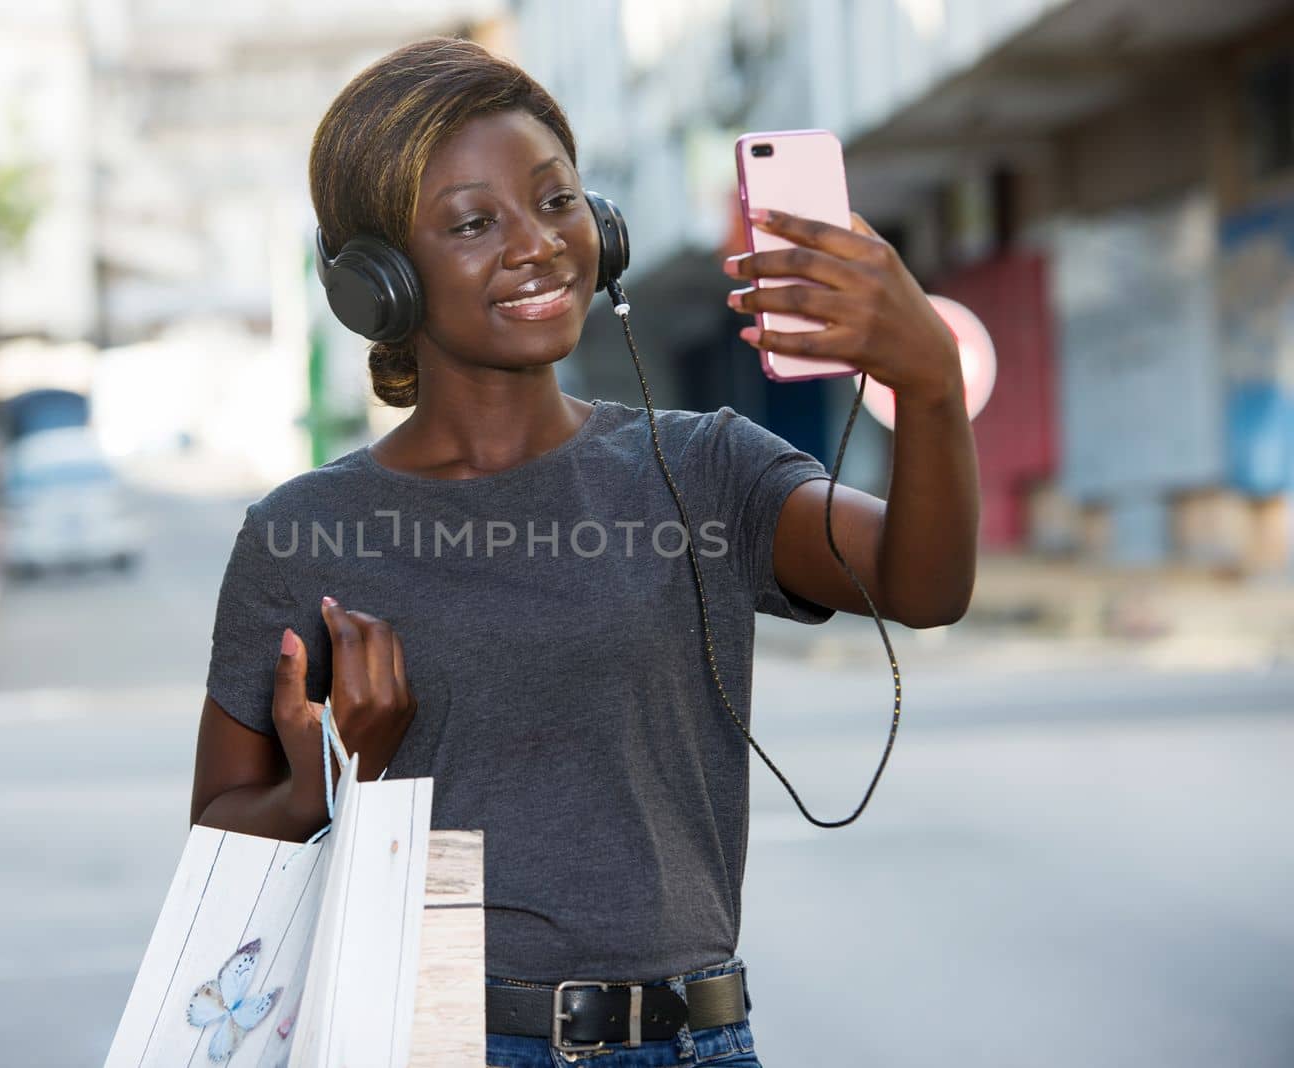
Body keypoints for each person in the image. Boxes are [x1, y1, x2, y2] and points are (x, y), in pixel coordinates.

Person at [191, 37, 978, 1067]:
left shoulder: (704, 466)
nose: (536, 244)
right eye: (475, 222)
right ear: (378, 284)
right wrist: (333, 774)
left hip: (696, 1040)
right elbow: (218, 845)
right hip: (443, 1041)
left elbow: (921, 586)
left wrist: (926, 383)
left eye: (556, 201)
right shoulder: (300, 534)